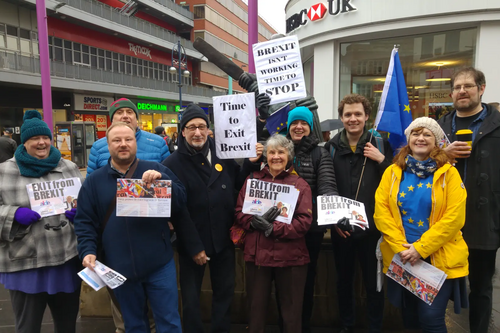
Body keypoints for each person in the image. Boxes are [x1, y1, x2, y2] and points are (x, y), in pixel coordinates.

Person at [74, 122, 187, 333]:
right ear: (107, 145)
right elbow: (85, 221)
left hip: (158, 264)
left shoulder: (156, 170)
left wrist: (164, 184)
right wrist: (87, 250)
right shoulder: (94, 182)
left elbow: (181, 202)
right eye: (116, 140)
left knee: (169, 322)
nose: (123, 144)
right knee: (134, 325)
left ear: (136, 142)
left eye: (128, 140)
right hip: (119, 267)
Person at [162, 104, 262, 333]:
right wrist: (194, 247)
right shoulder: (170, 165)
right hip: (191, 243)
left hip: (223, 239)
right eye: (192, 127)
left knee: (225, 293)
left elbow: (238, 185)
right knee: (190, 298)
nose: (197, 132)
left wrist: (250, 162)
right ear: (182, 131)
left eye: (202, 127)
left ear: (209, 130)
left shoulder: (223, 154)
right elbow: (176, 211)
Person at [374, 117, 468, 332]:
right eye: (416, 133)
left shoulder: (449, 173)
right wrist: (402, 248)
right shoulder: (392, 172)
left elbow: (455, 217)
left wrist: (421, 248)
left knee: (431, 319)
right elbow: (381, 212)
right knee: (410, 317)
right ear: (409, 139)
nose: (421, 138)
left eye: (427, 134)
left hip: (438, 258)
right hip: (404, 257)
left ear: (436, 141)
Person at [0, 110, 83, 333]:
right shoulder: (4, 171)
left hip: (66, 258)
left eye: (45, 138)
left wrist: (80, 212)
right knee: (27, 326)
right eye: (35, 138)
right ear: (24, 142)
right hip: (26, 262)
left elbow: (85, 202)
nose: (41, 143)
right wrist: (12, 214)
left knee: (67, 325)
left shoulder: (69, 167)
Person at [437, 67, 500, 333]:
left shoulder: (497, 125)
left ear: (481, 89)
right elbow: (421, 165)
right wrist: (443, 154)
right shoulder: (439, 127)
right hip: (443, 221)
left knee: (482, 287)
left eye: (468, 86)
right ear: (451, 93)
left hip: (483, 219)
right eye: (457, 87)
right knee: (439, 283)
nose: (462, 91)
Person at [324, 94, 392, 333]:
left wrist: (382, 160)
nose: (353, 119)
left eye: (358, 114)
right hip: (341, 228)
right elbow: (325, 185)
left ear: (366, 117)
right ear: (341, 118)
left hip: (372, 230)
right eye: (348, 114)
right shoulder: (330, 148)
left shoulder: (381, 144)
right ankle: (347, 325)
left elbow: (396, 182)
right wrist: (334, 221)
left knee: (374, 284)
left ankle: (374, 327)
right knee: (343, 282)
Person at [234, 133, 313, 333]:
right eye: (271, 152)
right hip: (258, 256)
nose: (276, 156)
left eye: (281, 152)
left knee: (292, 314)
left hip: (291, 258)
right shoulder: (252, 180)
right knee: (256, 312)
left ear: (289, 155)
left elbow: (304, 222)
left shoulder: (300, 185)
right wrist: (253, 222)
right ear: (265, 156)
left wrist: (272, 228)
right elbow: (238, 213)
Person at [280, 105, 337, 333]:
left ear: (310, 127)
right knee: (282, 283)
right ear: (288, 126)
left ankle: (303, 326)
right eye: (294, 123)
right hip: (280, 229)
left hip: (308, 232)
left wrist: (333, 212)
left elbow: (327, 186)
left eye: (303, 123)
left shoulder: (319, 153)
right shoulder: (278, 150)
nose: (299, 127)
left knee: (306, 282)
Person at [87, 98, 170, 175]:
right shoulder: (98, 147)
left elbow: (170, 178)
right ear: (112, 120)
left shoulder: (158, 143)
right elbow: (91, 183)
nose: (125, 116)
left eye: (129, 112)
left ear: (136, 118)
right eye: (119, 112)